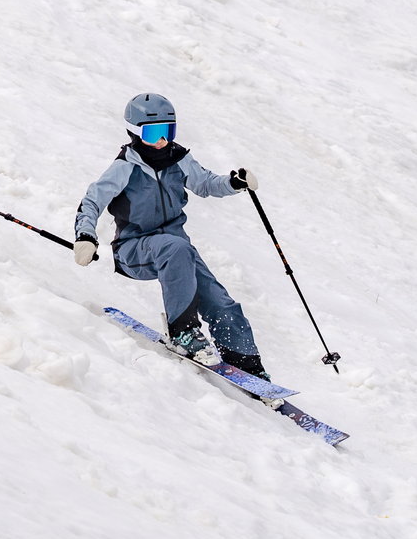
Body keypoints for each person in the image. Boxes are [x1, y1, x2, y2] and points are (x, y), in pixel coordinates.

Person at [73, 93, 270, 380]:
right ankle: (183, 333)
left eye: (168, 130)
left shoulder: (179, 159)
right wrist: (85, 236)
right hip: (134, 249)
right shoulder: (125, 166)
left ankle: (247, 364)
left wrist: (233, 182)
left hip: (177, 249)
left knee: (221, 301)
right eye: (154, 133)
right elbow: (92, 201)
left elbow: (206, 184)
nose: (162, 139)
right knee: (175, 247)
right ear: (135, 133)